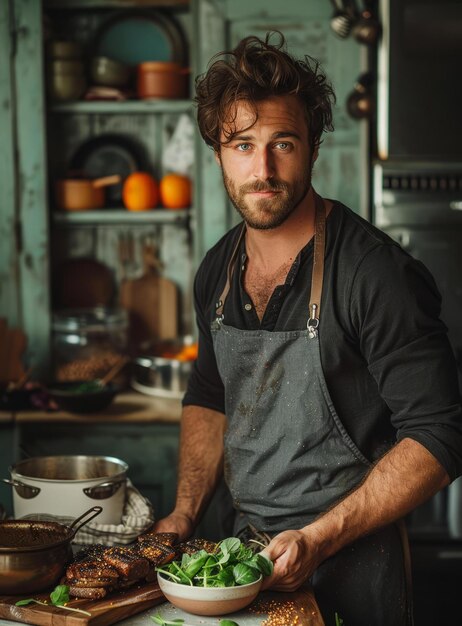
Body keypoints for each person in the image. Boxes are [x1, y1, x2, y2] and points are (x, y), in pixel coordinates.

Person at [153, 33, 462, 625]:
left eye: (282, 143)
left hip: (351, 569)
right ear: (218, 153)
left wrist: (318, 537)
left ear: (314, 147)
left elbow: (439, 435)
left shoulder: (376, 274)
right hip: (236, 567)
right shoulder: (216, 271)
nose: (262, 169)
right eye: (242, 145)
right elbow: (211, 397)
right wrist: (185, 515)